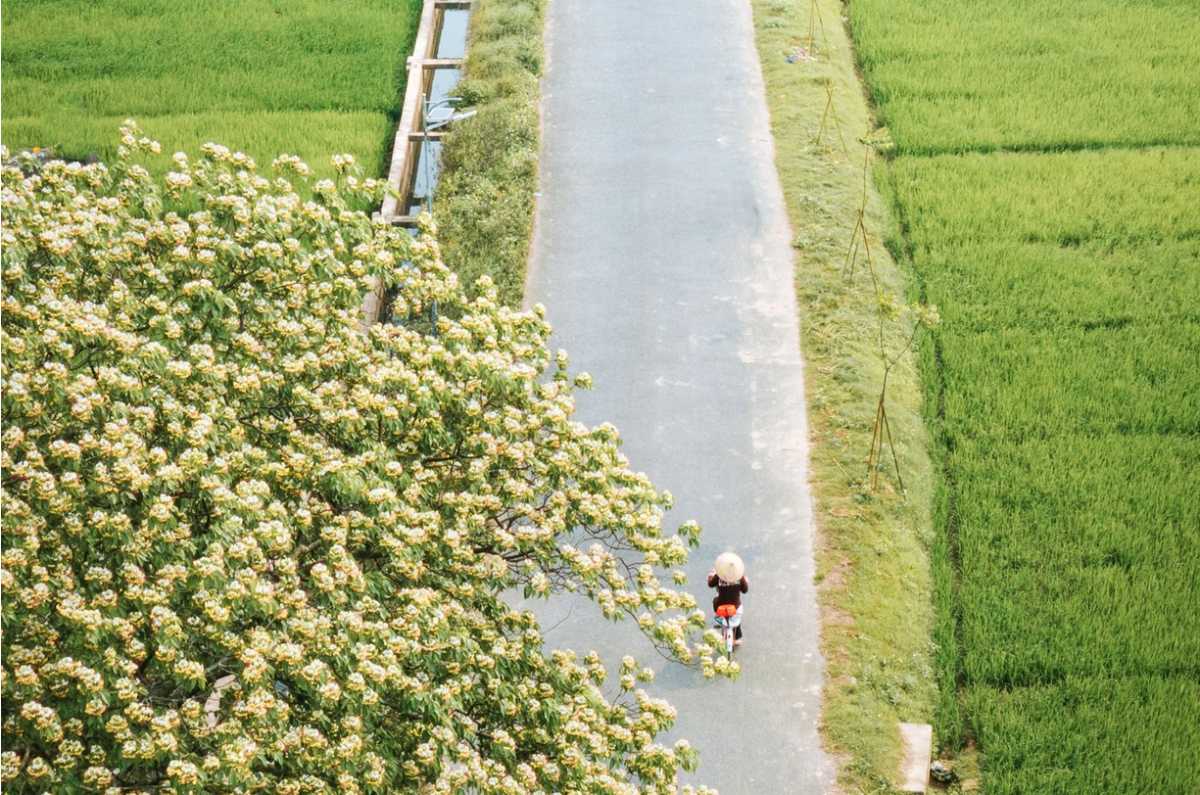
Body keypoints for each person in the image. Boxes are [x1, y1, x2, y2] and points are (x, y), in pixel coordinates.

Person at [708, 552, 748, 645]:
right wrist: (744, 581)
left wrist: (710, 576)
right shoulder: (739, 577)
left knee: (715, 600)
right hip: (735, 607)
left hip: (721, 606)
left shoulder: (719, 576)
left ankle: (719, 618)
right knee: (737, 616)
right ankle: (737, 638)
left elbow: (710, 584)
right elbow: (745, 590)